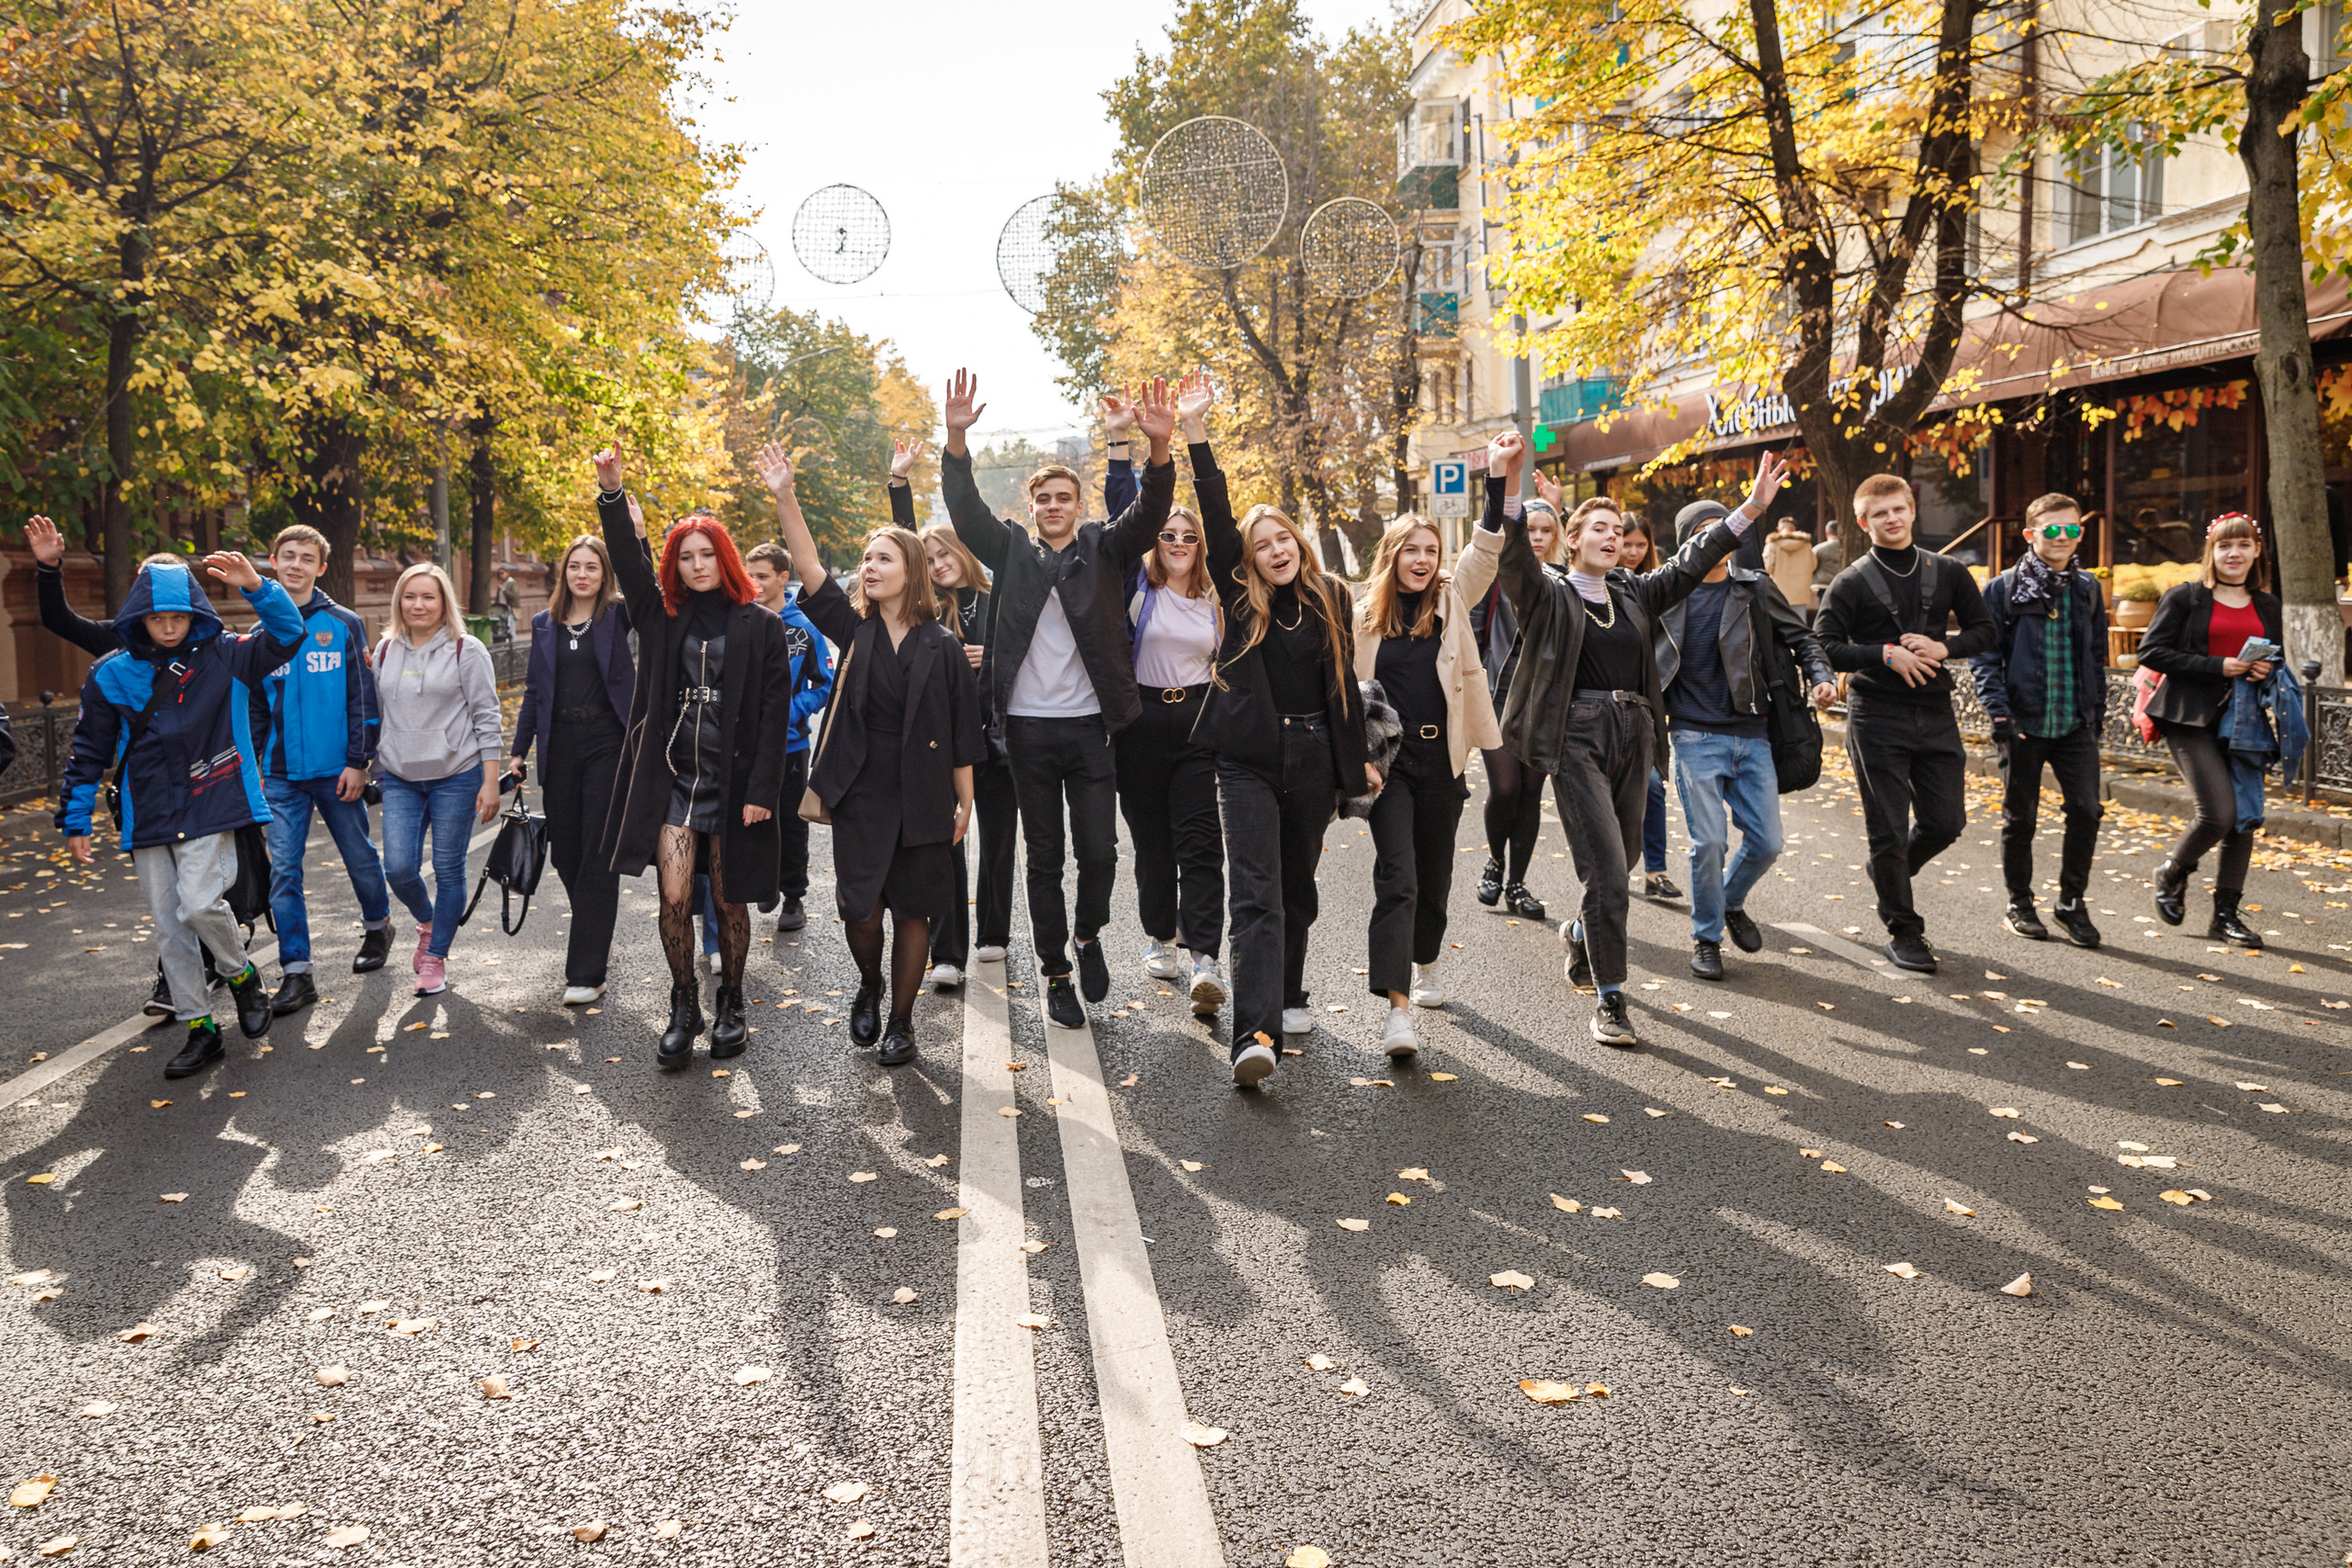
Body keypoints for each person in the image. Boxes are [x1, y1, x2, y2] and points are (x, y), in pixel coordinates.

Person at [1487, 432, 1788, 1046]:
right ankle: (1611, 997)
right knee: (1607, 870)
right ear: (1573, 539)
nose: (1611, 535)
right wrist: (1505, 479)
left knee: (1620, 860)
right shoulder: (1547, 593)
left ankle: (1580, 932)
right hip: (1576, 737)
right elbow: (1513, 552)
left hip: (1635, 732)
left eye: (1616, 529)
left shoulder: (1633, 591)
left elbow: (1691, 562)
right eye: (1596, 527)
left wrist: (1751, 507)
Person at [940, 368, 1177, 1029]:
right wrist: (956, 438)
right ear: (1033, 504)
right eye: (1043, 497)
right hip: (1026, 731)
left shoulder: (1104, 547)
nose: (1052, 505)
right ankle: (1056, 972)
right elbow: (964, 508)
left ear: (1077, 504)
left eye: (1062, 497)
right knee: (1043, 859)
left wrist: (1158, 447)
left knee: (1099, 852)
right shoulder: (1011, 549)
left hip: (1091, 729)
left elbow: (1151, 511)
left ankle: (1089, 933)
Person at [758, 441, 984, 1067]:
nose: (870, 566)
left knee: (913, 912)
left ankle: (902, 1023)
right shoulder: (851, 629)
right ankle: (869, 983)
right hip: (860, 791)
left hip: (924, 795)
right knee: (860, 910)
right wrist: (785, 495)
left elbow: (962, 732)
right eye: (867, 558)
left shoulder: (942, 646)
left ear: (910, 572)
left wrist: (965, 802)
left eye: (884, 557)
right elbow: (807, 564)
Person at [56, 553, 300, 1075]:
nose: (168, 628)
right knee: (170, 928)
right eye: (156, 618)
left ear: (195, 615)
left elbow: (288, 634)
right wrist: (76, 818)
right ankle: (200, 1028)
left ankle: (241, 975)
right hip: (148, 812)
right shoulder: (109, 674)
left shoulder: (227, 655)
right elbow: (89, 751)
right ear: (138, 618)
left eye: (178, 618)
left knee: (198, 906)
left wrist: (258, 587)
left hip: (212, 802)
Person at [592, 445, 794, 1067]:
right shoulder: (662, 614)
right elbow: (629, 568)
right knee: (674, 898)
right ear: (674, 563)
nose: (698, 564)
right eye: (686, 556)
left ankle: (731, 1002)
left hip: (735, 785)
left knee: (730, 900)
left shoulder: (760, 625)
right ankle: (685, 1003)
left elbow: (774, 714)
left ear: (724, 558)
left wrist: (763, 790)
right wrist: (612, 493)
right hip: (674, 780)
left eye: (707, 554)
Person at [1193, 439, 1372, 1088]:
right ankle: (1255, 1035)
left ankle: (1290, 991)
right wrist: (1196, 436)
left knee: (1297, 889)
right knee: (1255, 896)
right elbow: (1217, 523)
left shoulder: (1333, 597)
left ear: (1299, 542)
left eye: (1283, 539)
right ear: (1248, 559)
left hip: (1315, 754)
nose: (1275, 551)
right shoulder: (1242, 598)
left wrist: (1358, 764)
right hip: (1248, 760)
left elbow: (1344, 685)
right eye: (1261, 545)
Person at [23, 518, 240, 1017]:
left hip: (208, 785)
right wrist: (49, 568)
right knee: (169, 912)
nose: (165, 623)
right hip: (150, 792)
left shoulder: (212, 651)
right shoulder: (115, 655)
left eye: (175, 610)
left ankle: (234, 965)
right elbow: (59, 621)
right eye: (149, 596)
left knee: (206, 897)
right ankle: (182, 995)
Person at [1814, 474, 1998, 974]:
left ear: (1913, 511)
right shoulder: (1850, 581)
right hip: (1877, 716)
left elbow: (1985, 630)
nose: (1891, 519)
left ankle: (1887, 872)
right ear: (1863, 522)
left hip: (1935, 712)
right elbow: (1824, 644)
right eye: (1880, 513)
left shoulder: (1949, 570)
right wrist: (1884, 654)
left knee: (1946, 823)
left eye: (1898, 509)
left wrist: (1945, 647)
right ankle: (1904, 930)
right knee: (1888, 830)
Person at [1653, 502, 1837, 979]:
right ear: (1687, 543)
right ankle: (1707, 938)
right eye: (1704, 531)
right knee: (1709, 842)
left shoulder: (1754, 587)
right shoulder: (1666, 595)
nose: (1718, 538)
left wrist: (1821, 676)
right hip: (1693, 734)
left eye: (1724, 529)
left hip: (1753, 733)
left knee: (1768, 842)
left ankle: (1730, 900)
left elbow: (1804, 639)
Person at [1102, 375, 1229, 1014]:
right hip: (1142, 723)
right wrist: (1120, 445)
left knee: (1201, 840)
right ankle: (1161, 935)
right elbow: (1127, 508)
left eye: (1188, 536)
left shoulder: (1216, 595)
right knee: (1153, 843)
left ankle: (1206, 956)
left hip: (1200, 721)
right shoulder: (1136, 586)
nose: (1177, 543)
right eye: (1168, 535)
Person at [1355, 510, 1502, 1059]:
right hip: (1389, 763)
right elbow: (1346, 690)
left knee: (1434, 878)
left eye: (1431, 551)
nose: (1422, 560)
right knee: (1399, 878)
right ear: (1392, 556)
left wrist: (1499, 482)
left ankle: (1427, 961)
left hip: (1442, 759)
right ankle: (1397, 1012)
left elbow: (1484, 553)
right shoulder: (1365, 616)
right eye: (1411, 550)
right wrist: (1358, 758)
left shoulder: (1450, 600)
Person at [239, 524, 395, 1015]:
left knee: (359, 856)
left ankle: (378, 926)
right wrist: (254, 769)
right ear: (273, 562)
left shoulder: (343, 624)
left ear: (321, 568)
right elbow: (255, 710)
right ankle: (297, 973)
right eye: (288, 555)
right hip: (280, 774)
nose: (296, 565)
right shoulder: (260, 635)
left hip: (336, 771)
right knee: (284, 870)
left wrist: (358, 762)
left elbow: (362, 697)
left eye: (307, 558)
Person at [2136, 513, 2284, 945]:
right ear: (2211, 552)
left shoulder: (2267, 604)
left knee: (2243, 819)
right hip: (2188, 716)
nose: (2233, 553)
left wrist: (2264, 670)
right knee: (2219, 813)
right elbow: (2152, 652)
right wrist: (2217, 666)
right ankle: (2173, 871)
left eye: (2242, 545)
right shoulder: (2186, 598)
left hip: (2244, 719)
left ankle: (2225, 917)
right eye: (2224, 546)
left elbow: (2277, 658)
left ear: (2257, 550)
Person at [1973, 493, 2109, 949]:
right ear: (2030, 534)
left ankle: (2071, 902)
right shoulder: (2003, 589)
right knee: (2021, 818)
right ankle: (2020, 903)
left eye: (2072, 529)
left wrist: (2095, 713)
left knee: (2087, 810)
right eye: (2052, 529)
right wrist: (1999, 713)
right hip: (2022, 723)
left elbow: (2095, 656)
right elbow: (1985, 658)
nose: (2062, 537)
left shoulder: (2088, 588)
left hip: (2074, 723)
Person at [900, 455, 1015, 988]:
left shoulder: (1000, 599)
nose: (938, 563)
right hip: (944, 743)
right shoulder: (928, 609)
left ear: (964, 550)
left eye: (944, 552)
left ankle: (994, 933)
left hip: (1001, 738)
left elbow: (1030, 654)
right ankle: (947, 953)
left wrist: (991, 656)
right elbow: (902, 543)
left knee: (999, 840)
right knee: (947, 841)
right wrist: (899, 483)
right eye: (929, 559)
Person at [509, 534, 636, 1004]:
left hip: (608, 742)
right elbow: (533, 692)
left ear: (605, 574)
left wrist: (632, 535)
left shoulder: (618, 615)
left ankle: (586, 972)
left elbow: (645, 587)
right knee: (565, 854)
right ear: (564, 572)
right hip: (559, 744)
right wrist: (518, 751)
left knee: (598, 854)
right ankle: (594, 927)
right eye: (575, 566)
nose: (582, 574)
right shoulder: (544, 624)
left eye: (592, 567)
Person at [374, 563, 504, 998]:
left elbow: (487, 718)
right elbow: (379, 714)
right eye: (410, 596)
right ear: (399, 602)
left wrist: (490, 781)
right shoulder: (385, 651)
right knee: (398, 868)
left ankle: (435, 956)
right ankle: (429, 922)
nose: (419, 605)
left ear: (444, 601)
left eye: (428, 596)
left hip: (456, 774)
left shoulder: (467, 650)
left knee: (449, 868)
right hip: (401, 777)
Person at [1467, 487, 1565, 922]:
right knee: (1506, 788)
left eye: (1547, 530)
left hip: (1545, 702)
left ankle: (1517, 884)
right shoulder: (1494, 579)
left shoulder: (1565, 582)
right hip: (1498, 696)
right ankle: (1494, 862)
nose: (1538, 537)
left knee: (1530, 793)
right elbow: (1472, 637)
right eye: (1531, 530)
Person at [745, 538, 836, 935]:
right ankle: (764, 882)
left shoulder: (805, 627)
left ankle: (793, 895)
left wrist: (792, 709)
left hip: (790, 745)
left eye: (762, 576)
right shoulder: (741, 620)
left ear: (784, 578)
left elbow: (826, 683)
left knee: (789, 822)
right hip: (746, 746)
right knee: (750, 820)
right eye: (749, 575)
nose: (754, 583)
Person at [1623, 513, 1681, 903]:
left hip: (1646, 704)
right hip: (1601, 705)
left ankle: (1655, 871)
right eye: (1626, 544)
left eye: (1640, 545)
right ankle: (1614, 871)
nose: (1632, 552)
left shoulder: (1656, 588)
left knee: (1654, 789)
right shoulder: (1594, 584)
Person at [1764, 520, 1818, 614]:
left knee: (1781, 617)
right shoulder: (1806, 544)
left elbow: (1767, 568)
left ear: (1778, 529)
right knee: (1800, 618)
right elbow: (1813, 565)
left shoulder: (1772, 544)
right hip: (1801, 590)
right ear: (1794, 529)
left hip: (1779, 589)